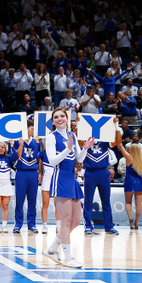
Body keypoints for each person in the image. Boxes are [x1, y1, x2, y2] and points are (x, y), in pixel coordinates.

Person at [43, 107, 93, 268]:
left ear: (67, 118)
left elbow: (79, 159)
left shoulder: (72, 135)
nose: (60, 118)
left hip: (72, 178)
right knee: (66, 221)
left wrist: (85, 147)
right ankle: (68, 257)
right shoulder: (51, 137)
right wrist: (67, 149)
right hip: (60, 178)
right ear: (53, 121)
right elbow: (52, 161)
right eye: (56, 117)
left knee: (76, 221)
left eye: (62, 116)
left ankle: (52, 249)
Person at [82, 117, 121, 236]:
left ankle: (109, 227)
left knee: (106, 201)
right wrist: (79, 124)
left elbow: (118, 141)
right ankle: (88, 226)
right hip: (90, 172)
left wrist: (116, 126)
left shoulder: (106, 139)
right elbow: (79, 143)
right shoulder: (85, 139)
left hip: (104, 172)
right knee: (88, 201)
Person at [13, 120, 41, 233]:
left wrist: (40, 172)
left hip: (33, 172)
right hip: (21, 172)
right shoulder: (18, 141)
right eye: (32, 128)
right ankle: (18, 225)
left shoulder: (36, 141)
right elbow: (16, 157)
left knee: (32, 200)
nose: (33, 130)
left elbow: (39, 159)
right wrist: (20, 145)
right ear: (27, 129)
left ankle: (32, 224)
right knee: (19, 200)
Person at [117, 142, 142, 229]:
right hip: (139, 183)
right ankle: (136, 222)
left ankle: (131, 220)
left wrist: (117, 133)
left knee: (128, 202)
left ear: (132, 150)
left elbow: (121, 146)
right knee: (139, 204)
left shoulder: (129, 158)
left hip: (129, 182)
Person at [0, 139, 18, 233]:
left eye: (2, 147)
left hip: (7, 184)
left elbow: (16, 156)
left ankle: (4, 226)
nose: (0, 149)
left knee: (5, 206)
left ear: (5, 149)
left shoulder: (8, 159)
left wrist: (12, 146)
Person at [38, 149, 61, 234]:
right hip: (46, 180)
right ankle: (44, 226)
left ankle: (58, 226)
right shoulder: (43, 153)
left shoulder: (58, 152)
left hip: (56, 180)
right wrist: (40, 173)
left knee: (58, 205)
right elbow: (39, 161)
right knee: (45, 204)